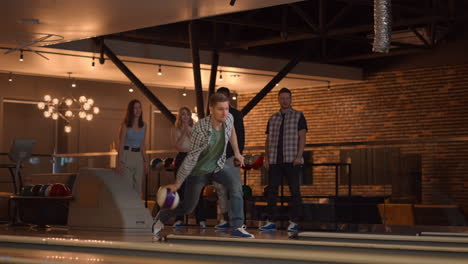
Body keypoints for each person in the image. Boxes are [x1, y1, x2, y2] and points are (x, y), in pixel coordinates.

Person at [152, 93, 254, 238]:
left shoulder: (229, 117)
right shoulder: (200, 128)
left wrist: (237, 152)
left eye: (226, 108)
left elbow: (232, 132)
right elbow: (191, 157)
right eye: (220, 109)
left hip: (218, 166)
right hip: (199, 170)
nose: (225, 112)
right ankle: (161, 216)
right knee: (188, 207)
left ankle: (238, 226)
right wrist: (178, 182)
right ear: (211, 109)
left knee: (236, 187)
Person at [260, 88, 307, 232]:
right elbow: (268, 139)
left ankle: (294, 221)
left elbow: (302, 137)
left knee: (294, 191)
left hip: (292, 159)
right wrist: (266, 157)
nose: (285, 100)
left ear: (291, 99)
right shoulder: (273, 118)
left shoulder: (298, 116)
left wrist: (299, 156)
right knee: (272, 191)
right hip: (275, 160)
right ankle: (271, 220)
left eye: (287, 98)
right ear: (278, 99)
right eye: (282, 98)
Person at [213, 87, 245, 229]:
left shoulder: (236, 115)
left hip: (231, 157)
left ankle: (238, 221)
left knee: (236, 190)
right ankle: (225, 219)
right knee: (220, 190)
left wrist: (238, 155)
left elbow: (241, 136)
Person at [171, 107, 207, 229]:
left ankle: (201, 219)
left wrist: (189, 133)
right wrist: (183, 134)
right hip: (181, 157)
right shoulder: (176, 129)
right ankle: (179, 219)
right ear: (180, 117)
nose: (185, 117)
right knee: (180, 189)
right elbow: (177, 146)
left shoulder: (196, 128)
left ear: (190, 116)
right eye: (182, 115)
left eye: (187, 114)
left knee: (197, 188)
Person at [116, 99, 148, 198]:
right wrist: (119, 162)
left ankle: (136, 211)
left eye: (139, 107)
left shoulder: (144, 125)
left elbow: (142, 144)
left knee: (138, 187)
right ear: (131, 110)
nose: (138, 110)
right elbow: (121, 144)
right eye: (135, 108)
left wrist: (146, 161)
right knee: (128, 187)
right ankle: (127, 211)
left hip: (138, 157)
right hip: (126, 155)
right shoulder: (125, 125)